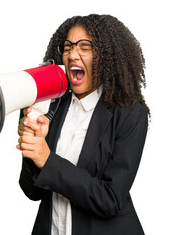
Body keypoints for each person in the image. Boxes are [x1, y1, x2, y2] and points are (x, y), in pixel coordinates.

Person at [16, 14, 150, 235]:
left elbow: (111, 199)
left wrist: (47, 159)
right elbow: (32, 192)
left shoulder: (130, 113)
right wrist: (32, 149)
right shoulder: (51, 105)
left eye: (84, 46)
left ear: (107, 55)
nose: (72, 54)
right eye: (67, 47)